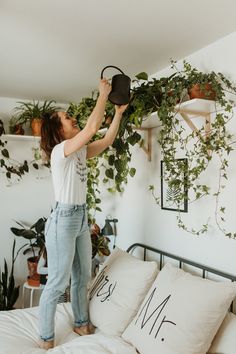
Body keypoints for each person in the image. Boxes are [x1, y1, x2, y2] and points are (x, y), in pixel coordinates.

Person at [38, 78, 128, 350]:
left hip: (79, 218)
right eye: (67, 118)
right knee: (56, 283)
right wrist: (103, 95)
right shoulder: (59, 152)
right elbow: (90, 128)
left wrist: (117, 113)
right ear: (57, 129)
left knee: (82, 277)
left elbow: (108, 139)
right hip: (62, 220)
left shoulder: (79, 152)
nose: (72, 118)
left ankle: (80, 322)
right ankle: (45, 338)